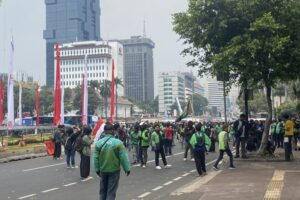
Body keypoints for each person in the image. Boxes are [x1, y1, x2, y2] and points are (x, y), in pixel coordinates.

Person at [94, 122, 131, 200]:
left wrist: (97, 169)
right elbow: (123, 157)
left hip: (103, 170)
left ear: (104, 131)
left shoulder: (98, 143)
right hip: (114, 170)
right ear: (113, 131)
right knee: (111, 192)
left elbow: (95, 158)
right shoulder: (118, 143)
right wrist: (127, 169)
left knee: (103, 191)